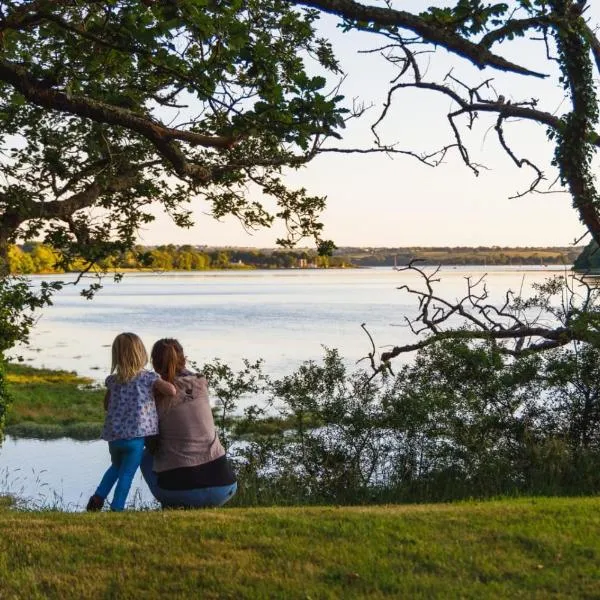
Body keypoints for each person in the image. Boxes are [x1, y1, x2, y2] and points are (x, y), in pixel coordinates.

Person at [140, 338, 237, 509]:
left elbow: (152, 445)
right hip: (224, 485)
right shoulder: (200, 383)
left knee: (144, 457)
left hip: (179, 491)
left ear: (154, 364)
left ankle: (171, 506)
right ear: (184, 360)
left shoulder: (154, 394)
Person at [86, 332, 176, 512]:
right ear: (141, 353)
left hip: (115, 438)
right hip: (135, 438)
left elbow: (106, 405)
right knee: (127, 474)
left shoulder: (113, 380)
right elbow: (171, 391)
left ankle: (97, 497)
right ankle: (117, 507)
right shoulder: (147, 378)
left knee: (116, 467)